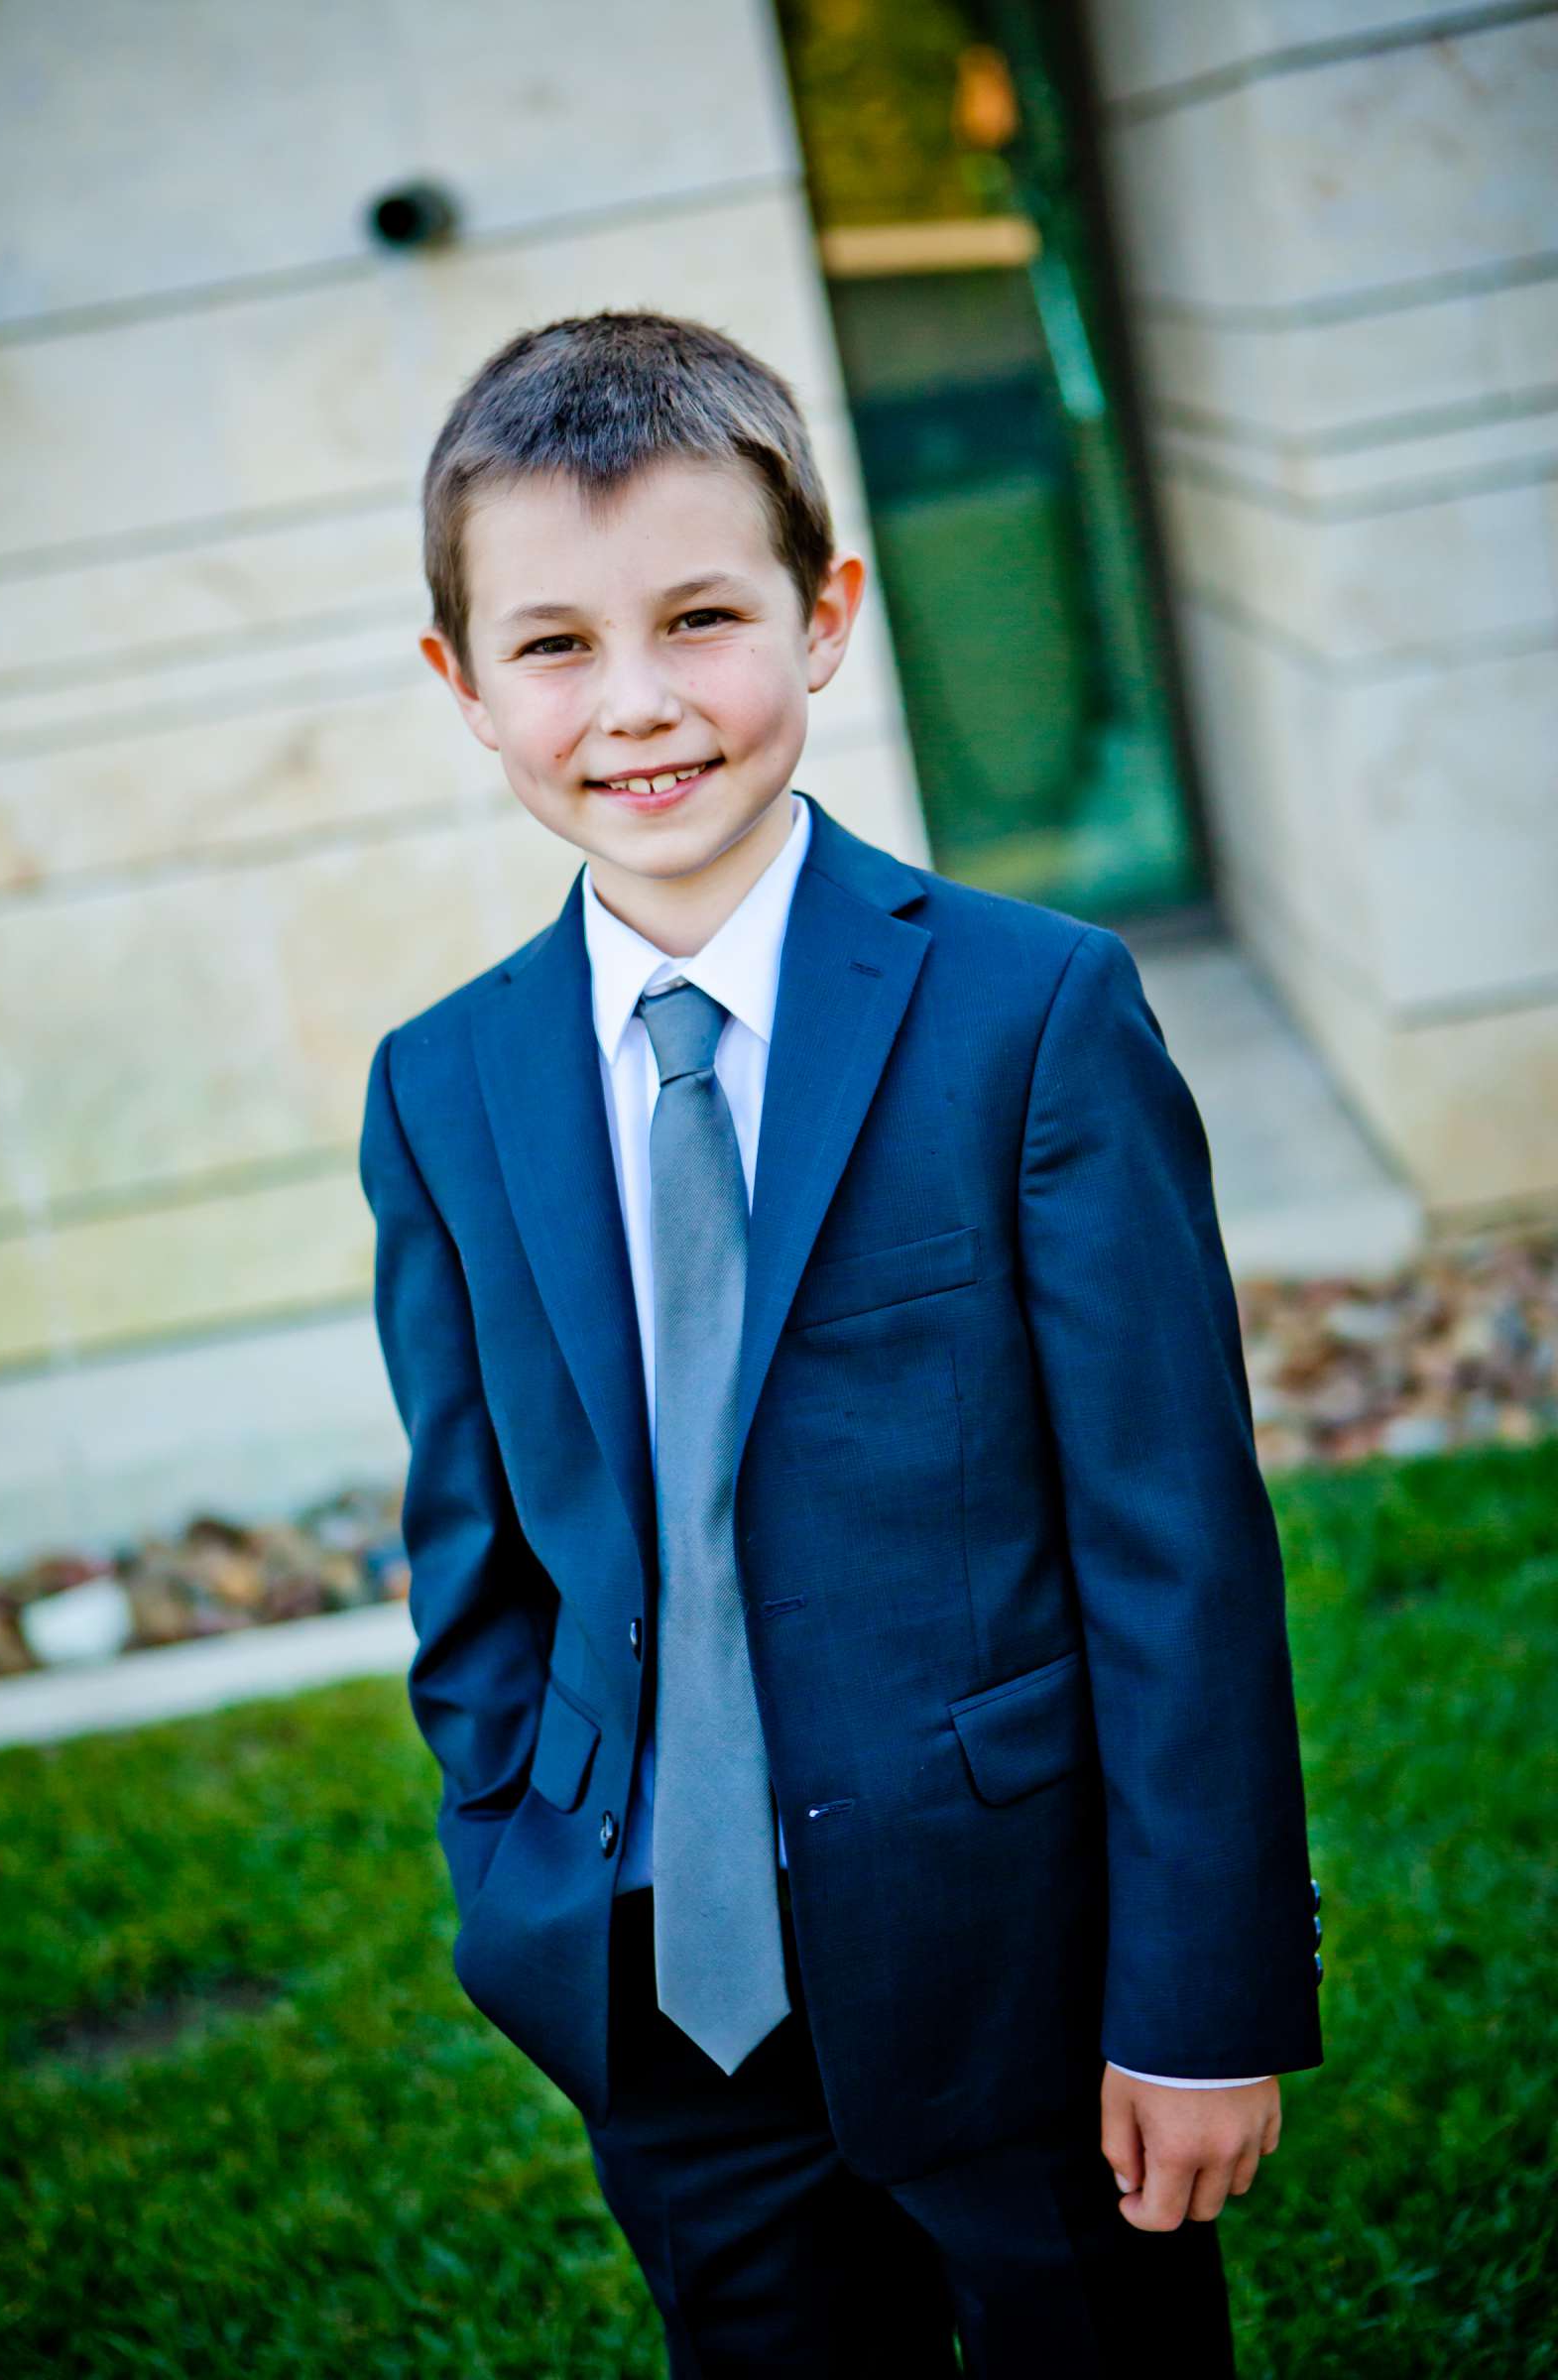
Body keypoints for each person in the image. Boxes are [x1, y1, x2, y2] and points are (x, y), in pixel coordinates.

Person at [357, 307, 1324, 2376]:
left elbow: (1173, 1551)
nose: (635, 707)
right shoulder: (443, 1092)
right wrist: (520, 1862)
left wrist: (1198, 2002)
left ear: (823, 617)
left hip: (1022, 1978)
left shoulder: (1028, 1016)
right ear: (459, 683)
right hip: (656, 1989)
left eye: (699, 618)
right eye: (551, 646)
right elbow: (476, 1556)